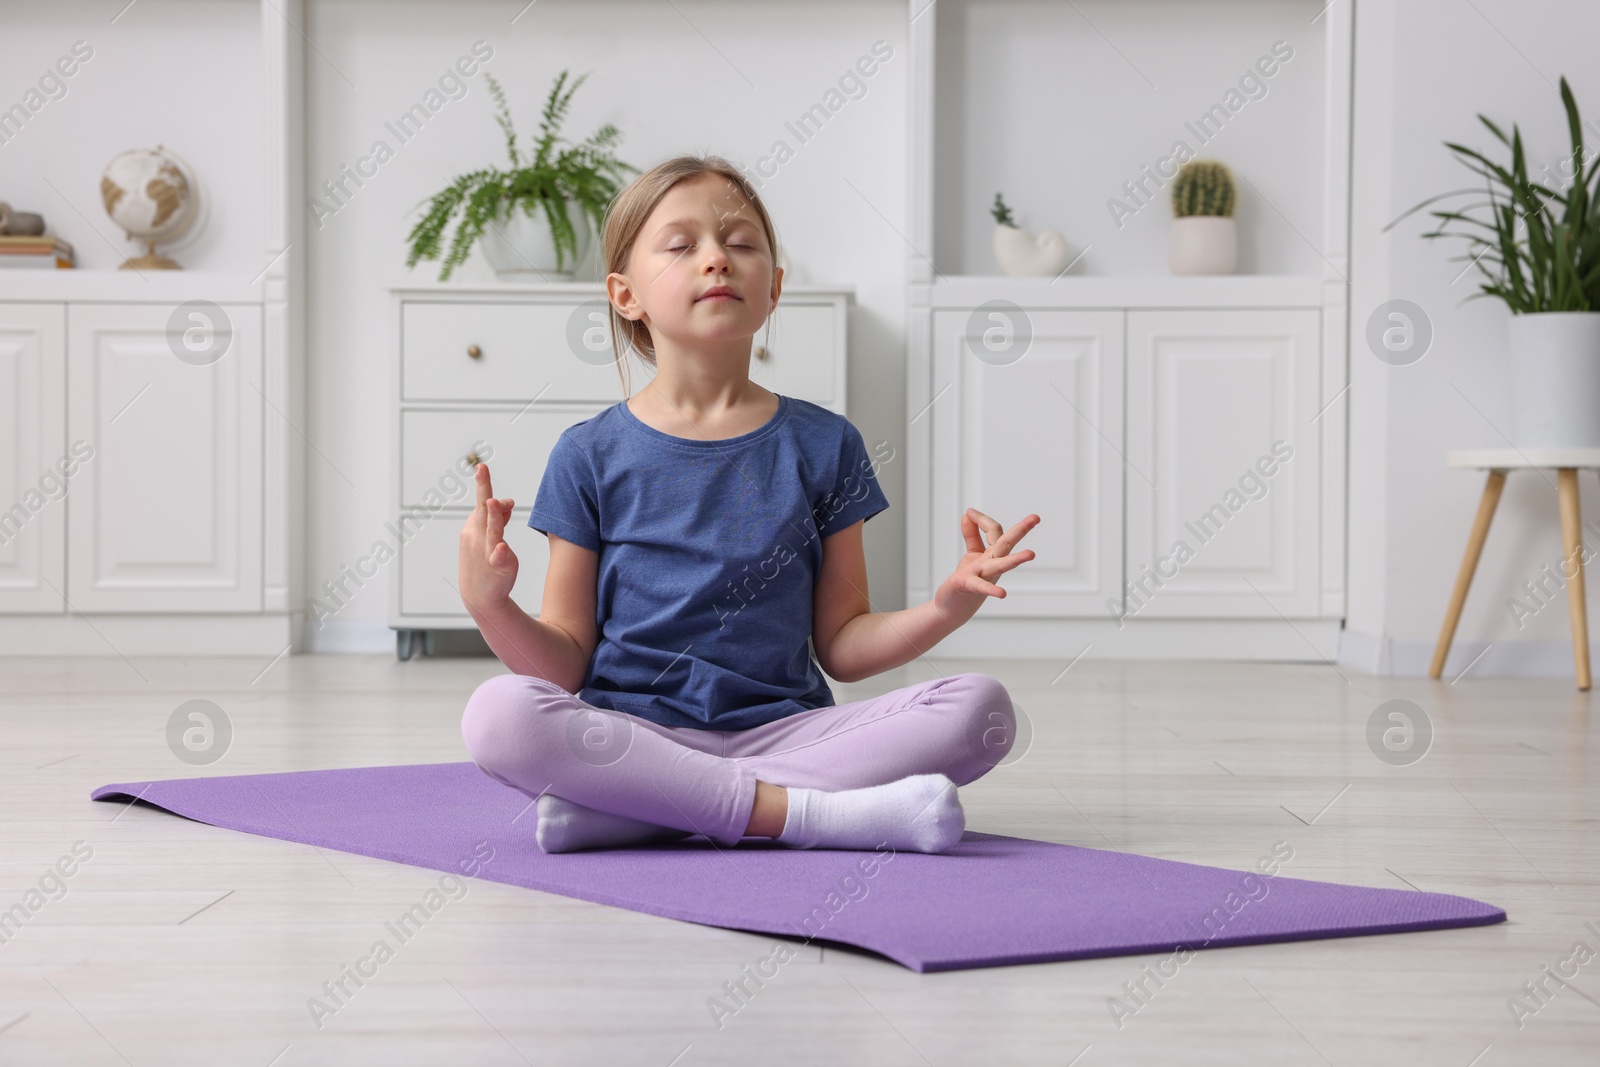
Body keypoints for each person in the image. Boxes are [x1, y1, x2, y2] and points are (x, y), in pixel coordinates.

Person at [458, 154, 1039, 854]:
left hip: (789, 730)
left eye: (741, 244)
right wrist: (490, 604)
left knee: (980, 710)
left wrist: (947, 604)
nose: (716, 260)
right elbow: (564, 666)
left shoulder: (828, 443)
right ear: (624, 294)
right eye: (680, 245)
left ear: (775, 288)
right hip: (638, 733)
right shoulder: (587, 455)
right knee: (499, 713)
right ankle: (806, 815)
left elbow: (844, 646)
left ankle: (651, 809)